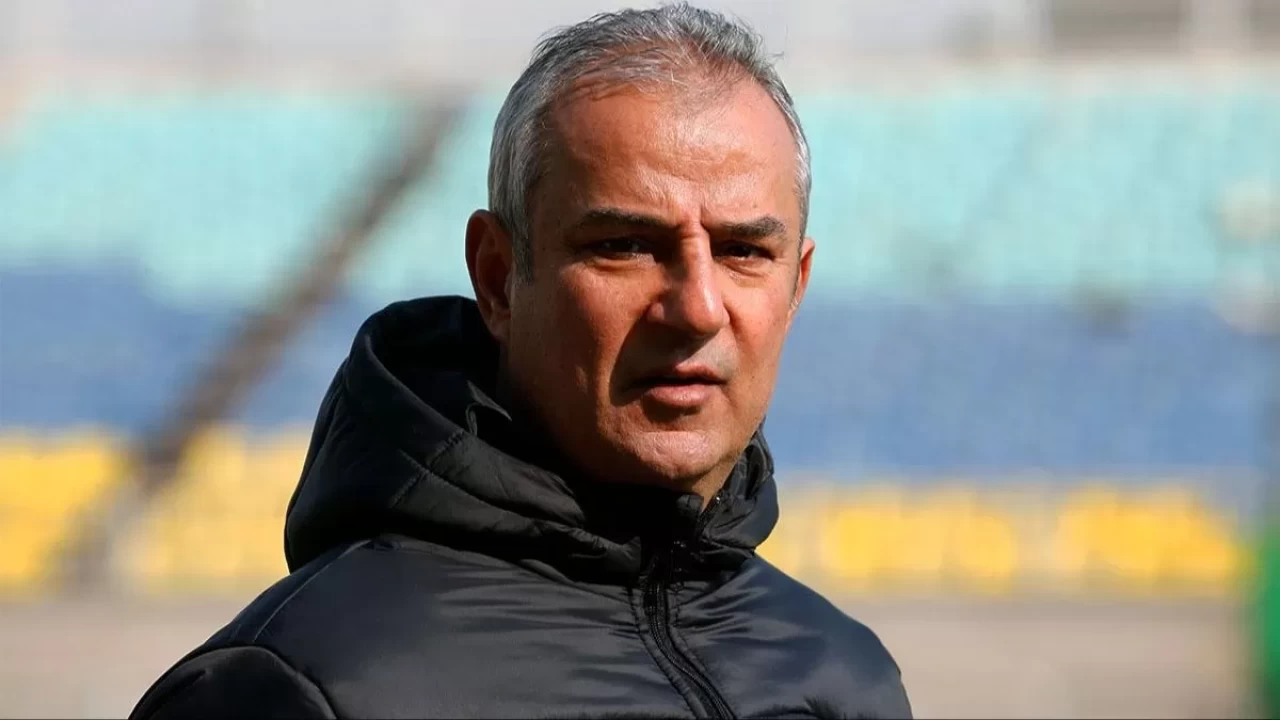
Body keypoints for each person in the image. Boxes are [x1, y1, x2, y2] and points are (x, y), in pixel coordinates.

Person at [129, 4, 910, 718]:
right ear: (499, 277)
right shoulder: (299, 689)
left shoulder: (846, 678)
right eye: (625, 245)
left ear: (797, 285)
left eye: (743, 251)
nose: (699, 308)